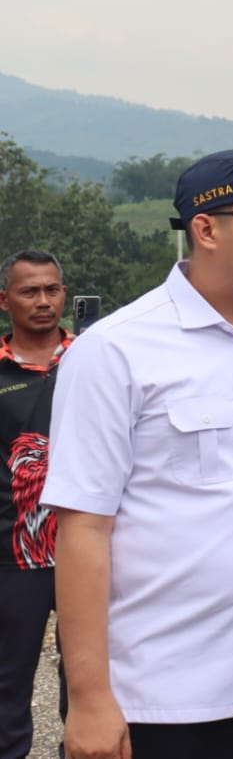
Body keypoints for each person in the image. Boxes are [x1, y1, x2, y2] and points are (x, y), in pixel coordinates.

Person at [42, 149, 233, 759]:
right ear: (205, 229)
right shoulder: (116, 353)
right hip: (168, 697)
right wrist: (90, 698)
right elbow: (82, 529)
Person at [0, 250, 71, 759]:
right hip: (12, 557)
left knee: (96, 677)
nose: (43, 301)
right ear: (5, 301)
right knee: (7, 683)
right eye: (29, 291)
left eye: (52, 289)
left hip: (89, 551)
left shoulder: (96, 358)